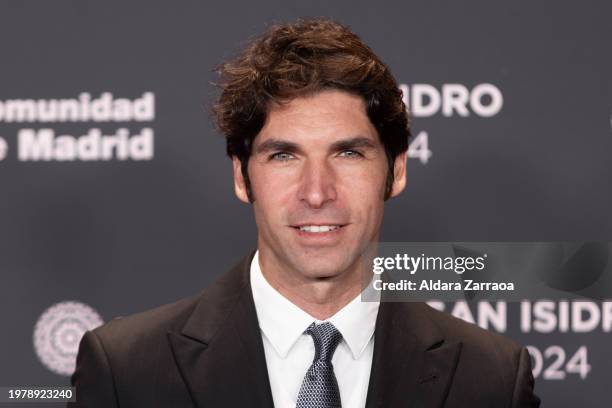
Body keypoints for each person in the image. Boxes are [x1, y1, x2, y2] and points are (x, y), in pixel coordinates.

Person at [69, 18, 540, 407]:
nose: (317, 193)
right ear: (241, 176)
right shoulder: (127, 371)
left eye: (348, 154)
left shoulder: (491, 378)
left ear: (395, 172)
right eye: (284, 155)